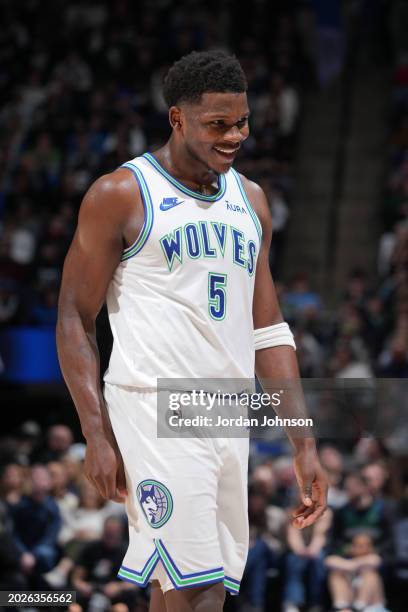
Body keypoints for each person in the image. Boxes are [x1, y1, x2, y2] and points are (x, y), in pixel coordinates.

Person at [57, 50, 327, 612]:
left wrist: (303, 442)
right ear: (178, 119)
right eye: (218, 125)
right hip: (153, 410)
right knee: (198, 590)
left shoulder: (251, 201)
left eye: (242, 122)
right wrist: (96, 433)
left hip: (226, 414)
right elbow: (74, 319)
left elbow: (269, 329)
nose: (235, 136)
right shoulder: (122, 194)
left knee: (196, 586)